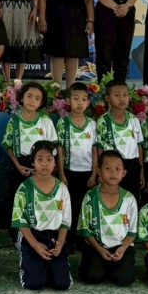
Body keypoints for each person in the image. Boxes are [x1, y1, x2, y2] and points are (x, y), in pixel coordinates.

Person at [12, 141, 72, 291]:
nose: (44, 163)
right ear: (33, 162)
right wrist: (36, 245)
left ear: (55, 164)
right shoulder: (24, 188)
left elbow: (65, 222)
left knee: (62, 284)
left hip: (55, 237)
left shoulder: (62, 189)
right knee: (33, 284)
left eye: (49, 159)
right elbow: (20, 221)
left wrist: (60, 243)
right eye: (39, 159)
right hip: (32, 236)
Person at [76, 150, 138, 286]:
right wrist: (100, 249)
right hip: (97, 246)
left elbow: (132, 231)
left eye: (117, 169)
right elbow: (85, 229)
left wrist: (122, 249)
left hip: (121, 247)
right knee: (91, 277)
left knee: (124, 280)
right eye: (108, 168)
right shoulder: (90, 197)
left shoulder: (129, 199)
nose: (113, 173)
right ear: (99, 171)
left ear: (124, 173)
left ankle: (112, 267)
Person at [38, 0, 94, 88]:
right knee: (57, 54)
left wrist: (90, 21)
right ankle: (56, 88)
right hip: (55, 20)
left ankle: (70, 89)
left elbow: (89, 0)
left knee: (73, 54)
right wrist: (42, 18)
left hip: (77, 21)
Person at [4, 82, 60, 203]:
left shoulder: (45, 121)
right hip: (21, 167)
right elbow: (8, 146)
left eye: (37, 98)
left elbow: (54, 148)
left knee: (40, 201)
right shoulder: (14, 122)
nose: (32, 100)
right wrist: (18, 166)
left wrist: (45, 167)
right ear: (22, 98)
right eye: (29, 96)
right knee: (20, 200)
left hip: (42, 165)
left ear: (41, 102)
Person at [94, 80, 144, 201]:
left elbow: (139, 146)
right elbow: (100, 148)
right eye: (117, 95)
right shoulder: (102, 121)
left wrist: (141, 170)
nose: (122, 98)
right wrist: (100, 171)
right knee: (113, 197)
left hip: (132, 166)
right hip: (113, 167)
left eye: (125, 95)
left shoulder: (133, 119)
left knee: (132, 198)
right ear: (108, 98)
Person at [57, 82, 98, 222]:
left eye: (84, 99)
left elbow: (95, 150)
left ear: (88, 103)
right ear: (68, 101)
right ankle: (69, 233)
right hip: (69, 172)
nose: (80, 103)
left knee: (86, 206)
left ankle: (84, 233)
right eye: (76, 98)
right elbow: (60, 150)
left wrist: (94, 173)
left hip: (87, 172)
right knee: (70, 206)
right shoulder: (63, 123)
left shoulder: (92, 124)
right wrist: (62, 174)